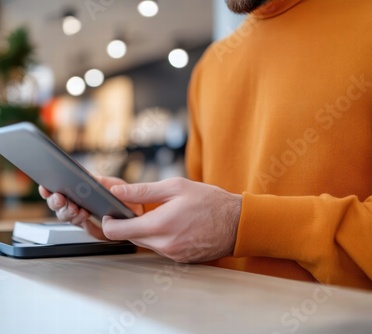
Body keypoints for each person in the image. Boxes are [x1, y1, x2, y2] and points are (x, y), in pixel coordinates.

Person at [40, 0, 372, 290]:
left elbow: (228, 221)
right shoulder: (211, 68)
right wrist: (131, 218)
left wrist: (240, 223)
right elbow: (206, 230)